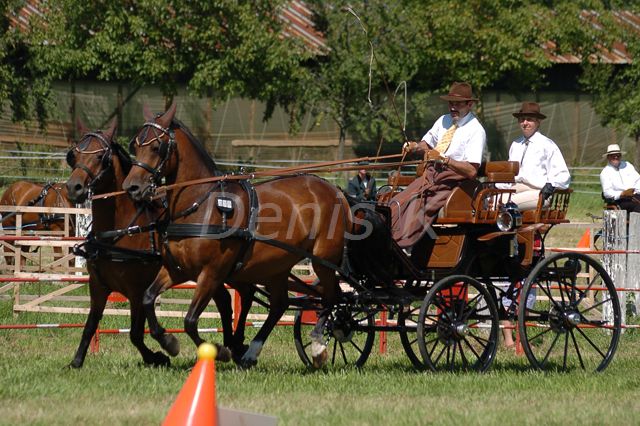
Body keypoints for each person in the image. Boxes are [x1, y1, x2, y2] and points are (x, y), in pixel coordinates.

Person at [391, 82, 486, 251]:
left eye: (458, 104)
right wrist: (414, 146)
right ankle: (387, 239)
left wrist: (444, 160)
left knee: (416, 207)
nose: (453, 107)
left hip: (452, 183)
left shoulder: (476, 130)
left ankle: (401, 246)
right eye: (450, 103)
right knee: (397, 201)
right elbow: (427, 144)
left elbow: (471, 171)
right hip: (430, 176)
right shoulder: (443, 120)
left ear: (470, 104)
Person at [503, 102, 571, 211]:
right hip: (515, 188)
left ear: (538, 122)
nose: (525, 123)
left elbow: (562, 175)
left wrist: (551, 186)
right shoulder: (516, 144)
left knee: (504, 204)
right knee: (488, 201)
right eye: (522, 119)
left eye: (529, 119)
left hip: (538, 192)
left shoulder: (547, 145)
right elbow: (509, 174)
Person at [600, 143, 640, 213]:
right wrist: (622, 194)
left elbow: (638, 180)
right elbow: (607, 192)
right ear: (608, 157)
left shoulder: (628, 165)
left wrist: (635, 192)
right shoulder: (605, 172)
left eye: (618, 155)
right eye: (613, 155)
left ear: (620, 156)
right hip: (619, 200)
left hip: (634, 196)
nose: (616, 157)